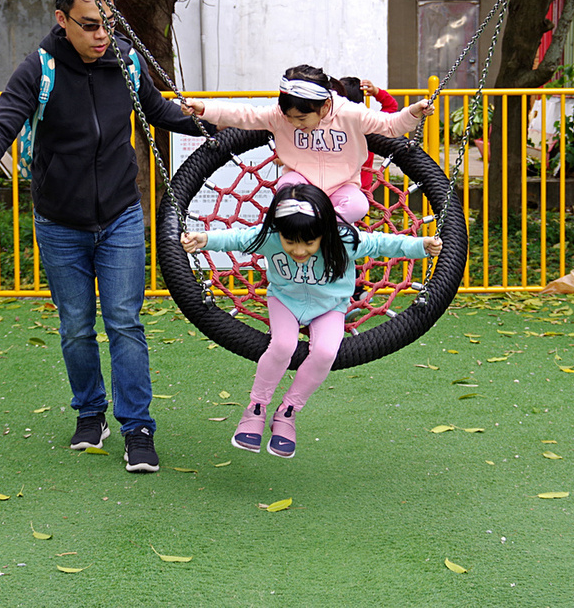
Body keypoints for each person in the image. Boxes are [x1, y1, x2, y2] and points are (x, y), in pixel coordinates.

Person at [0, 0, 207, 473]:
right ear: (61, 18)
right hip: (60, 221)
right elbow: (3, 122)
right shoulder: (40, 68)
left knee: (125, 323)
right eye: (89, 23)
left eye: (108, 23)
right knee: (74, 326)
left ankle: (137, 427)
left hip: (120, 216)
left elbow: (156, 110)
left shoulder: (127, 61)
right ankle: (91, 413)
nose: (101, 34)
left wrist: (208, 124)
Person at [181, 183, 442, 458]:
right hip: (285, 300)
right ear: (279, 232)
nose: (299, 250)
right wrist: (204, 240)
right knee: (282, 346)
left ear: (324, 232)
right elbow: (237, 238)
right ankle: (256, 408)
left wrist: (421, 246)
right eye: (290, 242)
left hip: (329, 306)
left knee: (327, 352)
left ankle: (288, 412)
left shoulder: (343, 239)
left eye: (308, 243)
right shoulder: (270, 236)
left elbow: (382, 243)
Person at [181, 65, 433, 223]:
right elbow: (244, 115)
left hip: (341, 185)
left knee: (358, 205)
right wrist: (204, 108)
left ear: (324, 106)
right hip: (300, 180)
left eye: (301, 118)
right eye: (289, 117)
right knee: (286, 197)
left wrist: (414, 112)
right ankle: (298, 240)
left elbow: (391, 125)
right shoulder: (281, 117)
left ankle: (321, 238)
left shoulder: (350, 114)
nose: (294, 123)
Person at [336, 77, 400, 193]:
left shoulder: (331, 125)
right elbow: (391, 106)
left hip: (336, 186)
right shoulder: (368, 124)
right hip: (361, 188)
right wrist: (376, 92)